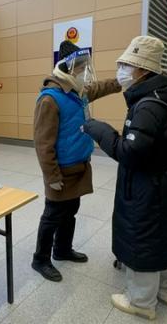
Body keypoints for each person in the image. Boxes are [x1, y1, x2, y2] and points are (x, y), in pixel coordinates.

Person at [83, 36, 167, 320]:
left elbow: (130, 151)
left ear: (142, 70)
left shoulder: (148, 105)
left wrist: (99, 130)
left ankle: (141, 302)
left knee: (145, 238)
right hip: (164, 183)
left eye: (126, 64)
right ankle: (164, 290)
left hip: (146, 186)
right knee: (162, 234)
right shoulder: (165, 94)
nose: (121, 70)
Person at [31, 40, 122, 282]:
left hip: (79, 167)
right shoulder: (50, 100)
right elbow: (43, 144)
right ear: (68, 69)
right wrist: (51, 177)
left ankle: (61, 250)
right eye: (80, 69)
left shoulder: (77, 92)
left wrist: (122, 81)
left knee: (70, 211)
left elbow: (100, 87)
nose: (84, 73)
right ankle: (40, 259)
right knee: (52, 215)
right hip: (60, 171)